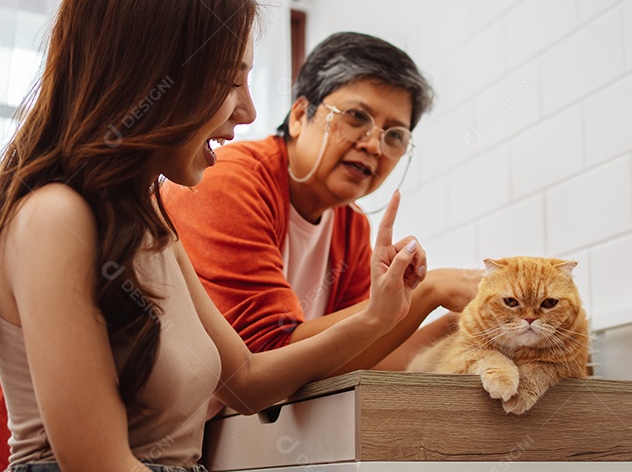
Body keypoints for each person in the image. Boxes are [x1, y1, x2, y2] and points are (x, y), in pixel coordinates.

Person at [0, 0, 427, 472]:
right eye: (229, 82)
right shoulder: (57, 218)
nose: (246, 110)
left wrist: (380, 316)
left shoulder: (154, 228)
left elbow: (244, 380)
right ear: (153, 80)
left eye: (396, 135)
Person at [162, 32, 480, 373]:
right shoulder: (228, 179)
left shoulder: (351, 225)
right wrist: (428, 291)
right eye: (357, 117)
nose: (374, 146)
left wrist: (468, 321)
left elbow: (353, 359)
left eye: (395, 135)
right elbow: (265, 355)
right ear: (299, 115)